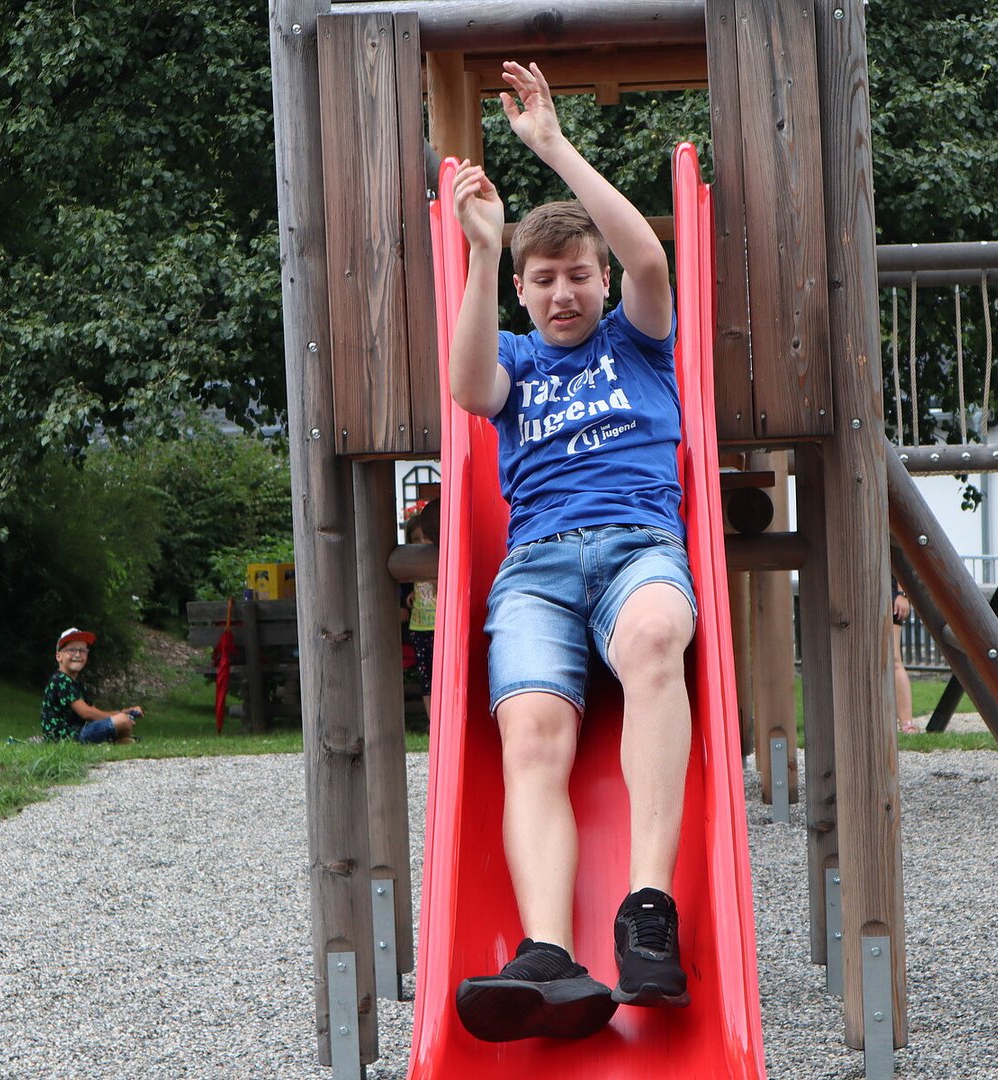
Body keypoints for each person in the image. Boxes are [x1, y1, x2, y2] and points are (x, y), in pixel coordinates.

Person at [447, 61, 696, 1043]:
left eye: (577, 275)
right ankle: (548, 953)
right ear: (522, 291)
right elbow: (468, 389)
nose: (563, 293)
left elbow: (650, 261)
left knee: (657, 635)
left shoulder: (638, 341)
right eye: (543, 279)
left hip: (637, 547)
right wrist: (481, 253)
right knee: (532, 736)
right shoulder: (513, 359)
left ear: (600, 282)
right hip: (539, 569)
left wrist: (551, 147)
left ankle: (647, 911)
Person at [40, 627, 144, 745]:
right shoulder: (60, 680)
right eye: (72, 650)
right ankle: (119, 740)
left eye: (82, 650)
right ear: (59, 656)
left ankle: (120, 741)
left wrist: (123, 713)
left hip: (78, 732)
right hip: (65, 738)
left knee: (124, 721)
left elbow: (94, 710)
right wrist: (120, 718)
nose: (78, 654)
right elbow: (87, 713)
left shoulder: (77, 684)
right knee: (123, 721)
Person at [405, 499, 441, 719]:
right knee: (426, 678)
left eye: (425, 538)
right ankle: (431, 720)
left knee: (440, 674)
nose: (421, 543)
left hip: (438, 626)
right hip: (419, 627)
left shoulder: (437, 560)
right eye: (415, 539)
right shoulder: (412, 564)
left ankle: (442, 717)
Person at [892, 579, 920, 734]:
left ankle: (906, 723)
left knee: (894, 659)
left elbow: (900, 564)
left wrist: (902, 594)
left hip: (889, 591)